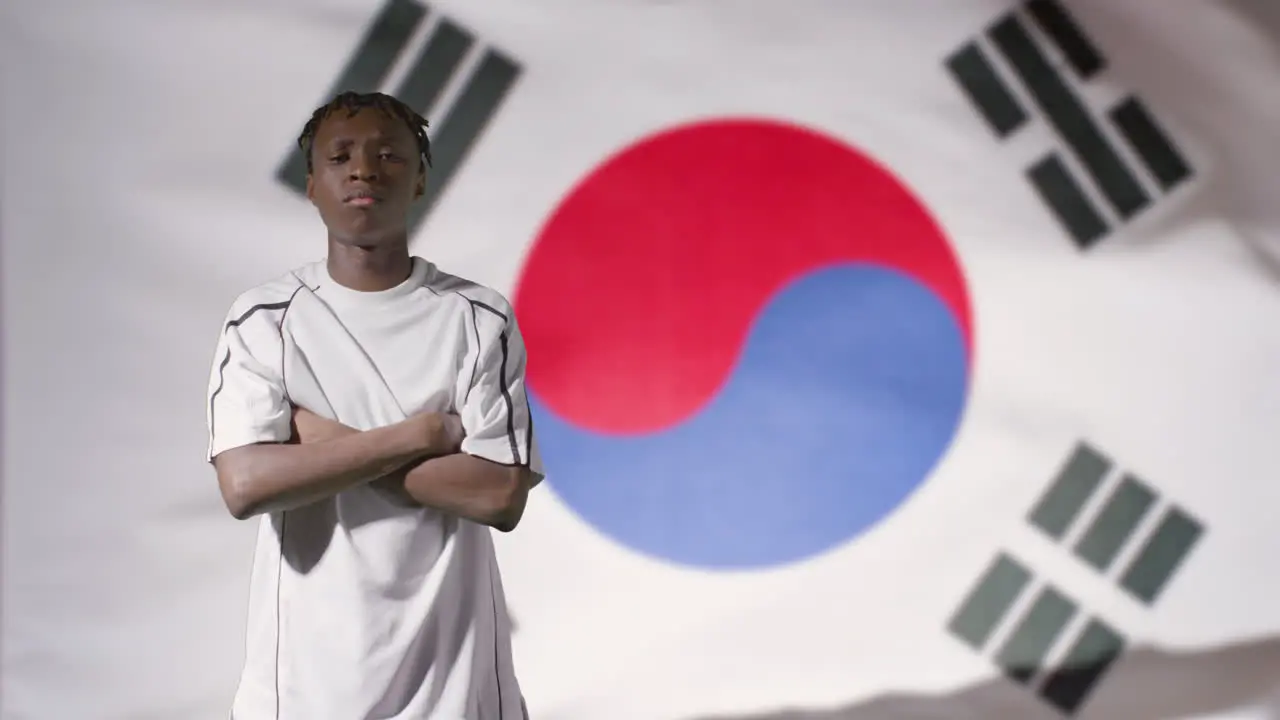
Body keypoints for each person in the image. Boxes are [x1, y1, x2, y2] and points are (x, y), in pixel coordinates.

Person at [204, 90, 542, 720]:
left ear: (419, 181)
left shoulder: (477, 318)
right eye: (341, 156)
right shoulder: (265, 320)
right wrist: (422, 434)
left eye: (389, 154)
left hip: (457, 684)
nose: (364, 170)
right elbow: (246, 485)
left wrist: (317, 439)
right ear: (312, 186)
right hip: (304, 688)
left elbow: (497, 496)